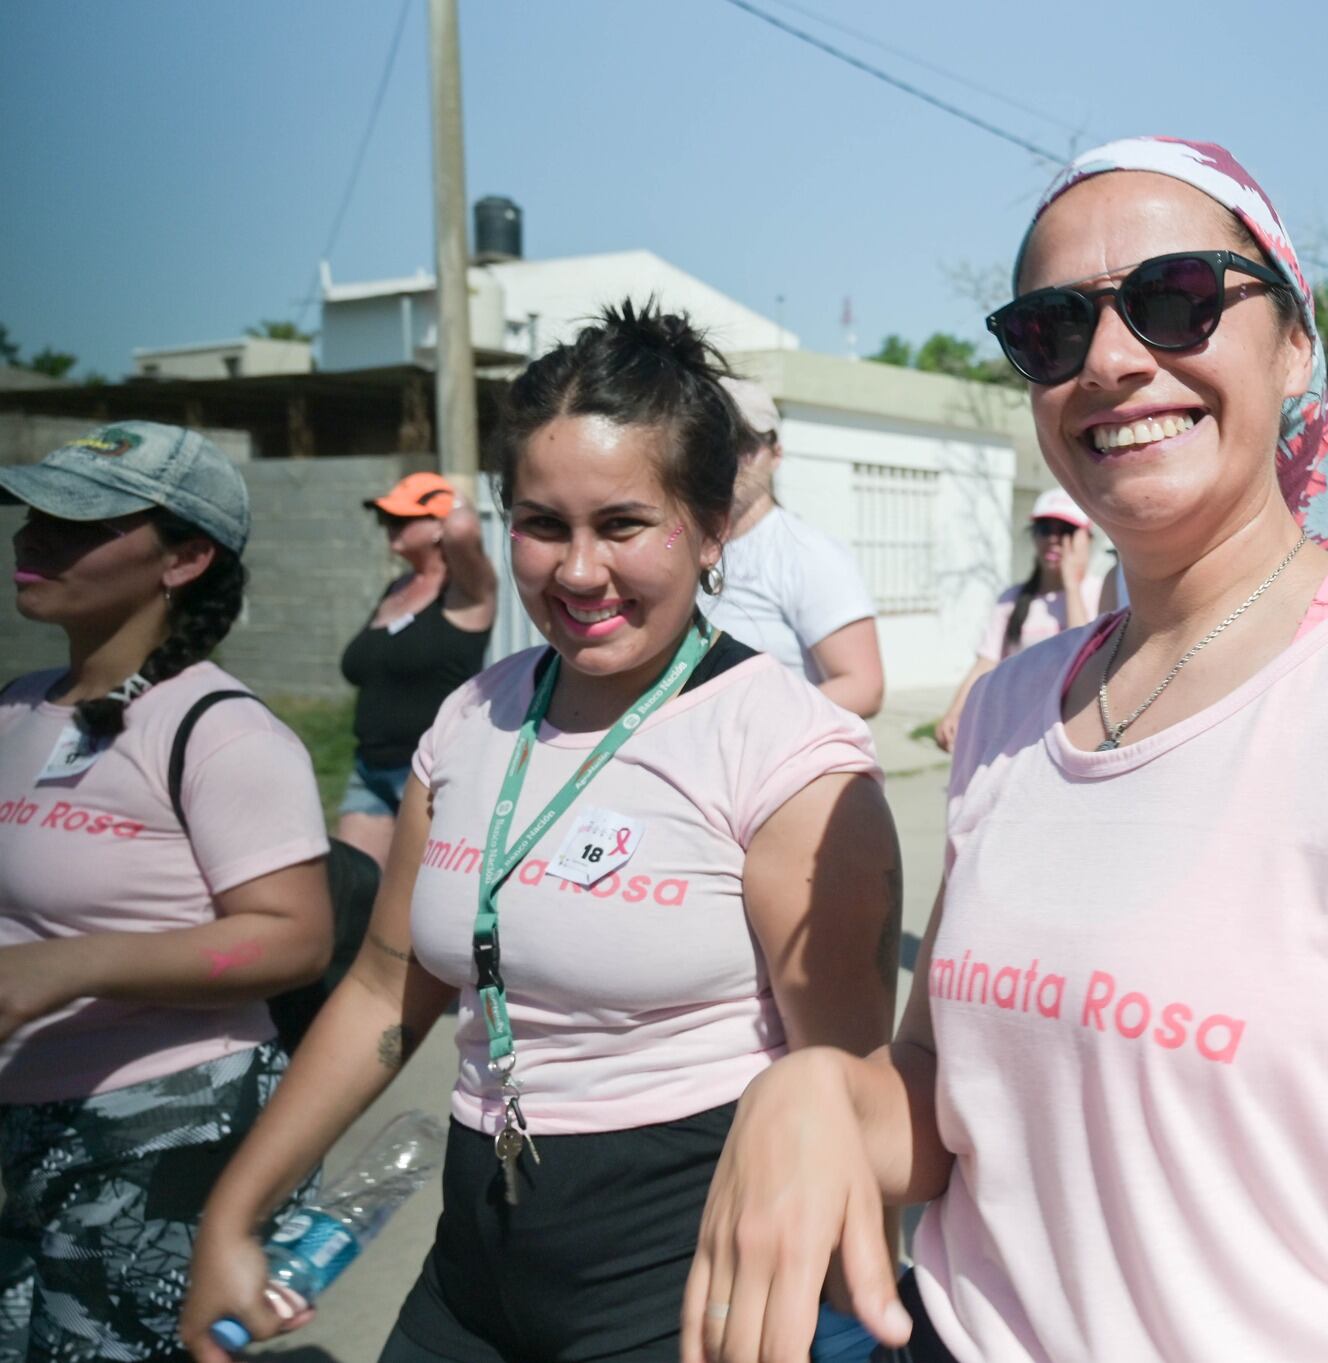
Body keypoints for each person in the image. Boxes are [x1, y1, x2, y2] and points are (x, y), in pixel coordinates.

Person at [684, 136, 1328, 1363]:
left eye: (1176, 298)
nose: (1115, 361)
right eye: (1051, 328)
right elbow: (945, 1092)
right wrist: (819, 1092)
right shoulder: (1010, 708)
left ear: (1295, 343)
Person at [180, 306, 900, 1363]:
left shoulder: (787, 751)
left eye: (621, 524)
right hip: (470, 1276)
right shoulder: (472, 720)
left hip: (682, 1284)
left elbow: (846, 1089)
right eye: (540, 523)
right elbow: (386, 988)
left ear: (707, 528)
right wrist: (232, 1215)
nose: (575, 571)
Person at [0, 422, 333, 1360]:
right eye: (34, 512)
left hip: (162, 1141)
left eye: (79, 522)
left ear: (184, 557)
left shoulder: (219, 731)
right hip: (27, 1136)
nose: (34, 537)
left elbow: (292, 938)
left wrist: (67, 968)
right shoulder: (20, 706)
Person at [699, 377, 884, 717]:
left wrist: (749, 723)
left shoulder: (807, 553)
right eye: (712, 444)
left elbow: (864, 687)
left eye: (743, 444)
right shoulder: (684, 546)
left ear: (775, 455)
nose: (727, 459)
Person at [337, 472, 496, 868]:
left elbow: (462, 530)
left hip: (427, 777)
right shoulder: (398, 588)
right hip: (370, 770)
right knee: (353, 896)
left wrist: (453, 502)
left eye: (402, 518)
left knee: (412, 912)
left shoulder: (467, 593)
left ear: (440, 525)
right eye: (386, 518)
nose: (389, 527)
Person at [934, 489, 1101, 752]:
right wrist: (955, 712)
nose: (1054, 540)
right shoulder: (1012, 599)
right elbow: (986, 663)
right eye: (1045, 529)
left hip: (1070, 732)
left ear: (1087, 539)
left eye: (1066, 530)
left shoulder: (1100, 593)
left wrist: (1070, 586)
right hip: (1016, 731)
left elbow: (1085, 655)